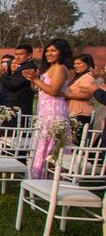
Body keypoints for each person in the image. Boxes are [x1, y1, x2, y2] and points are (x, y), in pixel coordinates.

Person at [23, 38, 73, 179]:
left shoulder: (60, 68)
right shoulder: (50, 68)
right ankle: (39, 177)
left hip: (54, 112)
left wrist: (36, 79)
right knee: (42, 143)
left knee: (50, 146)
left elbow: (54, 91)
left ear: (61, 52)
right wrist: (34, 80)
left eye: (53, 51)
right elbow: (39, 89)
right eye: (47, 51)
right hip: (44, 111)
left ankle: (51, 178)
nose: (48, 54)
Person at [0, 44, 37, 118]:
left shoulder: (28, 68)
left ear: (29, 55)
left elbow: (12, 85)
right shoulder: (21, 67)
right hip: (13, 108)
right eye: (16, 54)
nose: (17, 57)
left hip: (19, 108)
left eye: (21, 54)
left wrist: (3, 74)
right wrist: (11, 73)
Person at [65, 54, 96, 127]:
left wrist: (65, 95)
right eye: (74, 64)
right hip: (73, 113)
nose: (75, 66)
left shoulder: (88, 77)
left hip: (81, 114)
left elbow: (86, 95)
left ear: (88, 64)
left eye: (79, 63)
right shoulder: (79, 77)